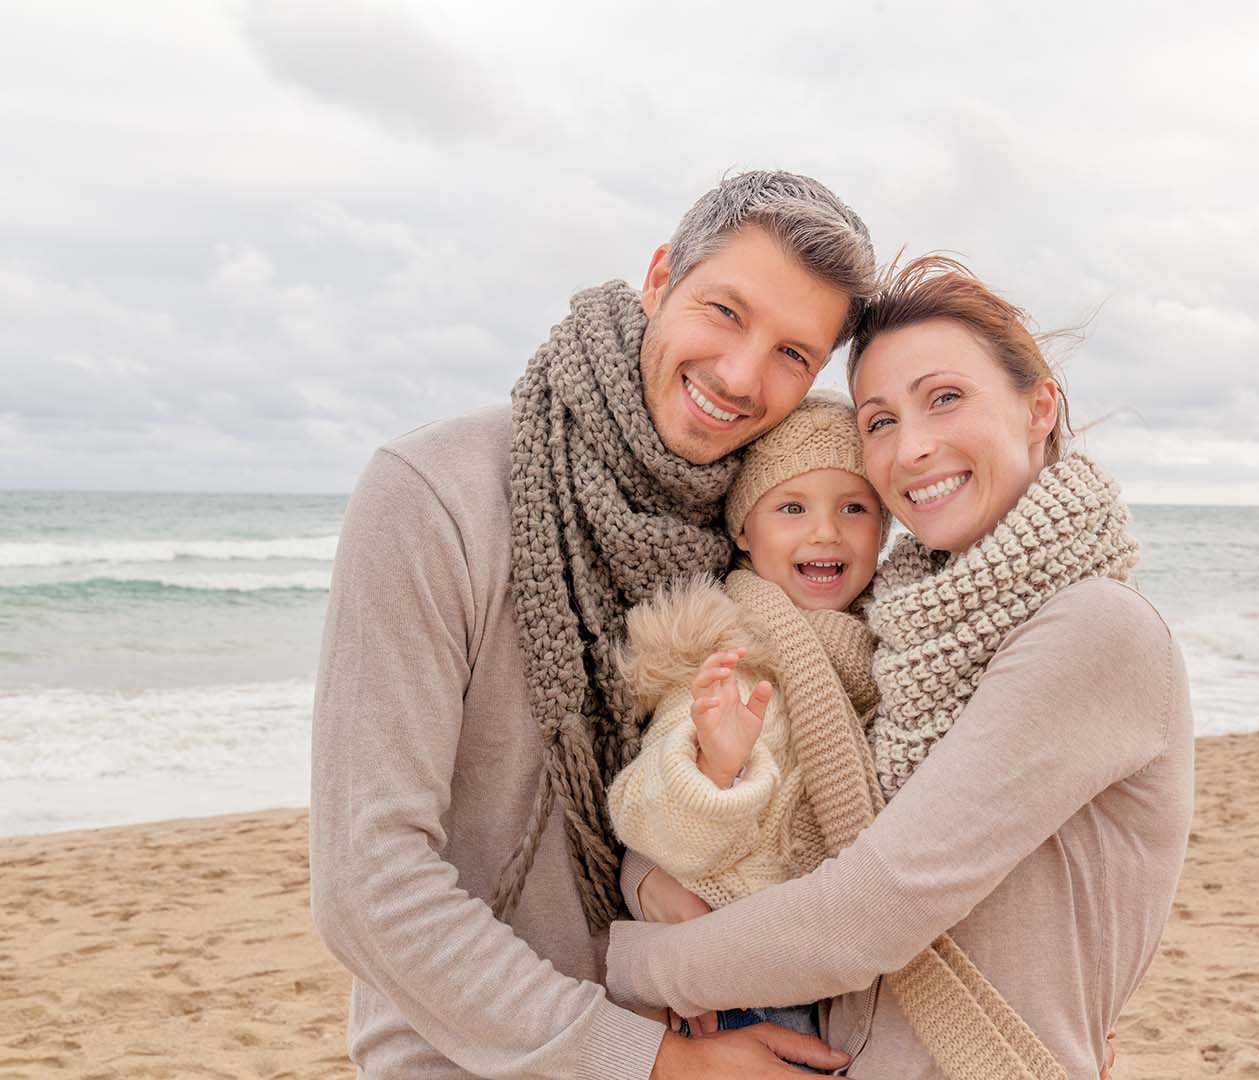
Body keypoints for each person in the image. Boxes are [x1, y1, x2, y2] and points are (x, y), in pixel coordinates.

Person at [308, 171, 876, 1079]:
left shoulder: (765, 527)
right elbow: (368, 885)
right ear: (658, 279)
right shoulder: (432, 493)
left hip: (721, 1032)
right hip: (470, 1061)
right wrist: (650, 1061)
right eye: (724, 311)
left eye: (792, 355)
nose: (740, 376)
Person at [608, 256, 1195, 1080]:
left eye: (944, 398)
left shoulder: (1092, 631)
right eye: (878, 421)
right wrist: (648, 881)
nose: (911, 447)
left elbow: (867, 914)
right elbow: (781, 808)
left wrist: (627, 961)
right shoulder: (898, 637)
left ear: (1037, 406)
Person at [607, 391, 887, 1043]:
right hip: (741, 987)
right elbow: (646, 823)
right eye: (791, 507)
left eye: (854, 507)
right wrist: (712, 765)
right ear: (742, 530)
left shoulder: (885, 655)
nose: (826, 532)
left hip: (839, 986)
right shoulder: (725, 660)